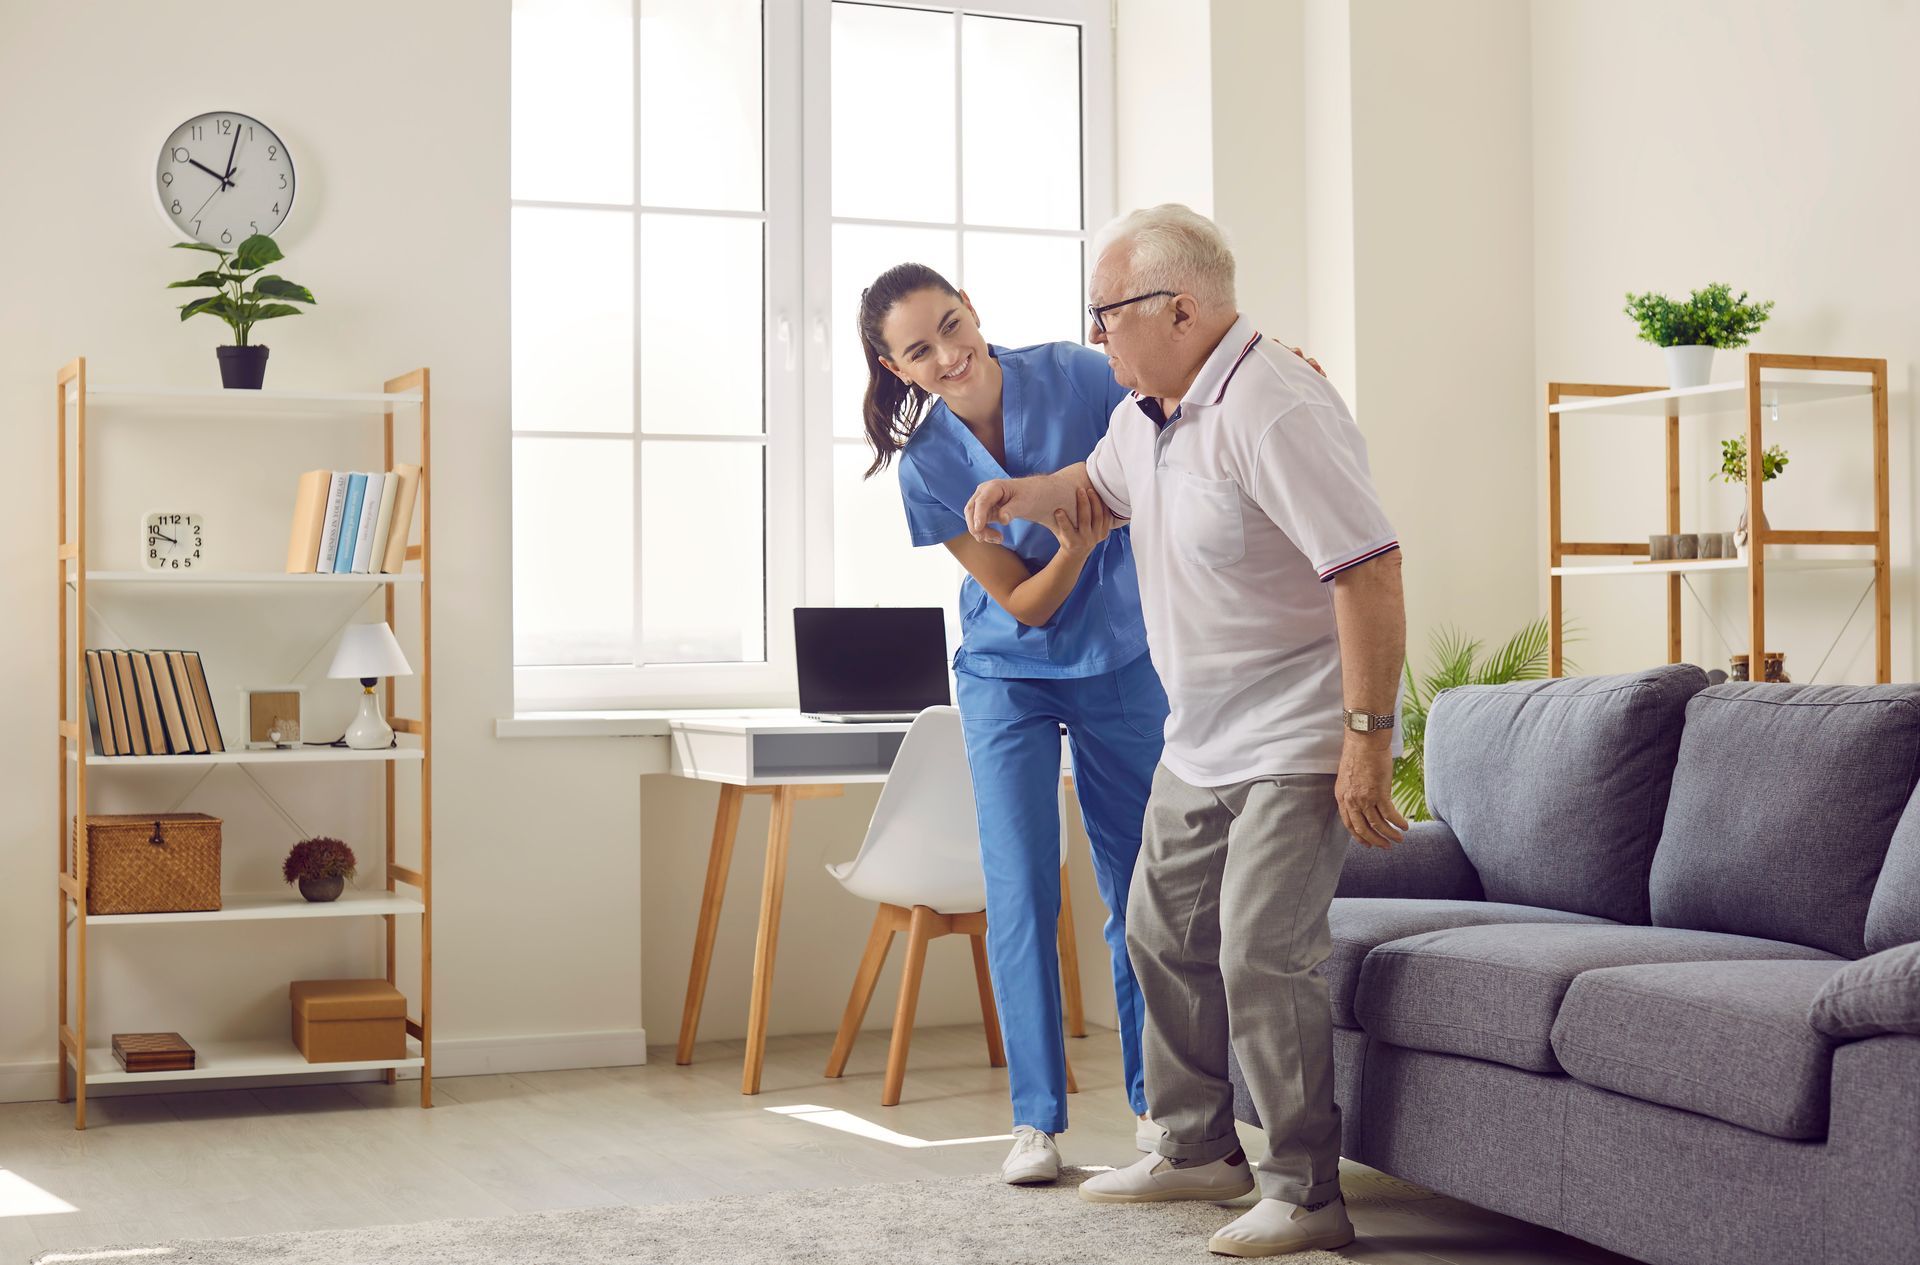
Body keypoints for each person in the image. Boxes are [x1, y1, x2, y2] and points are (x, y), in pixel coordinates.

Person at [963, 205, 1408, 1258]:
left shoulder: (1274, 405)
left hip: (1299, 731)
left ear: (1181, 306)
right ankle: (1198, 1146)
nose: (1095, 333)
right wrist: (1028, 494)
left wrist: (1366, 739)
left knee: (1263, 949)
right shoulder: (1147, 412)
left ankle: (1306, 1191)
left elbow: (1372, 569)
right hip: (1199, 735)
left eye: (1106, 313)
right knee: (1158, 932)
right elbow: (1098, 493)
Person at [856, 262, 1167, 1187]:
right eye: (921, 349)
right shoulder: (927, 468)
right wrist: (1078, 540)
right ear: (897, 366)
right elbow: (1024, 606)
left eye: (954, 326)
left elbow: (1174, 408)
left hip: (1121, 657)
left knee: (1140, 890)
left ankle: (1160, 1108)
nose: (950, 354)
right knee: (1021, 889)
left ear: (974, 311)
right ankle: (1036, 1122)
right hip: (1006, 673)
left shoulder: (1077, 373)